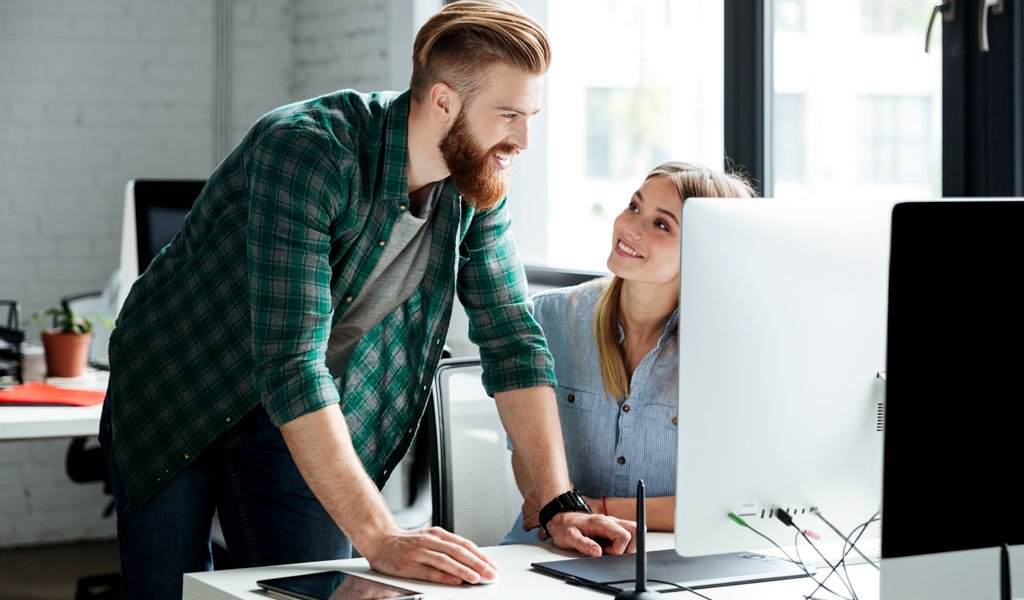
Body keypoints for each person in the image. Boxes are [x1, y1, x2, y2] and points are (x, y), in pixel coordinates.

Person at [98, 2, 634, 598]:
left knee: (323, 588)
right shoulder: (306, 150)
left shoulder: (478, 178)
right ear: (443, 102)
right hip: (178, 384)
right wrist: (381, 535)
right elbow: (290, 362)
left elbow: (512, 339)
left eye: (531, 115)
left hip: (298, 408)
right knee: (168, 592)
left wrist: (558, 500)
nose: (524, 139)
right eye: (508, 114)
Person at [501, 162, 756, 545]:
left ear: (705, 252)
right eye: (634, 207)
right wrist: (562, 513)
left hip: (667, 557)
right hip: (551, 547)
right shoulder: (549, 318)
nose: (630, 228)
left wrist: (587, 508)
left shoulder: (729, 351)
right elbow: (525, 453)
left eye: (661, 224)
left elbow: (733, 507)